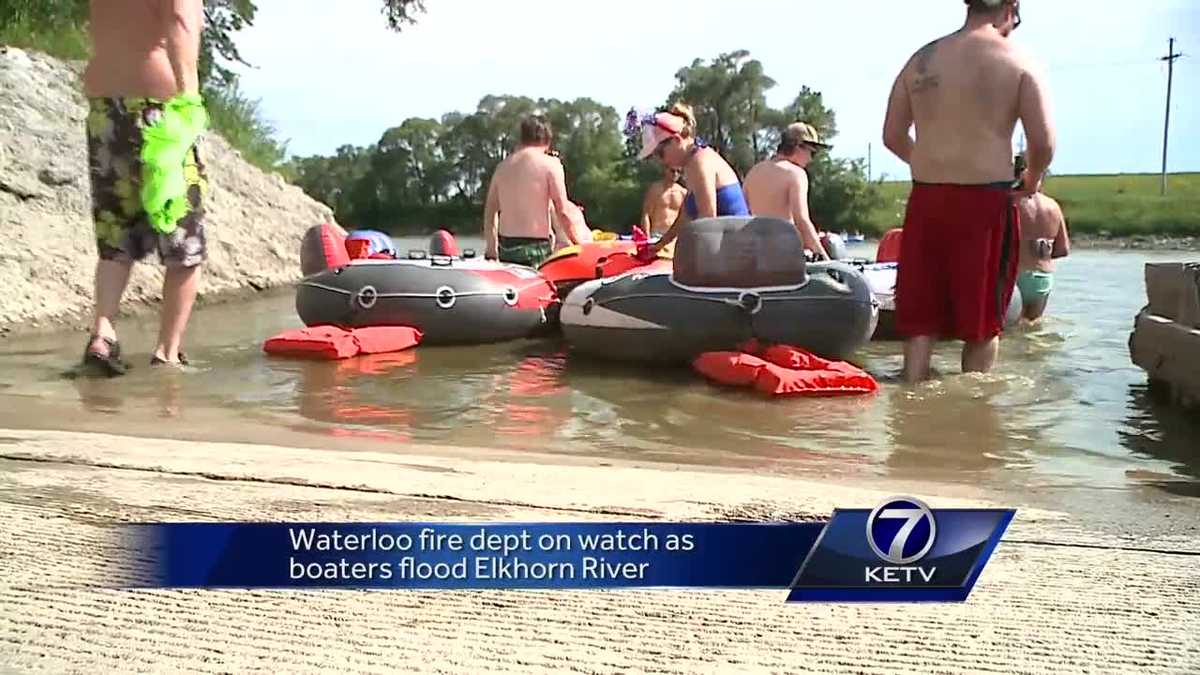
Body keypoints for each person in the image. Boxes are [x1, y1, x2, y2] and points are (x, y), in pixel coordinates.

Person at [881, 0, 1054, 383]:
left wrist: (926, 161)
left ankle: (912, 391)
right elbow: (1043, 142)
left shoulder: (921, 59)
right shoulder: (1019, 60)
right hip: (986, 202)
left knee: (920, 317)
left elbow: (892, 135)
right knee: (983, 322)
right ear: (1010, 8)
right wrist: (1033, 179)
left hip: (927, 197)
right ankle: (972, 418)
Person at [82, 0, 209, 375]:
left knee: (115, 232)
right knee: (183, 238)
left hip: (105, 107)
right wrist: (188, 100)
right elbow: (180, 19)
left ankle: (102, 333)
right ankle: (167, 353)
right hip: (160, 110)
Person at [637, 104, 750, 256]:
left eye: (660, 153)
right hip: (727, 249)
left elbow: (708, 221)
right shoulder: (692, 164)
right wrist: (660, 244)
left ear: (676, 140)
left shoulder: (700, 163)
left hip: (736, 252)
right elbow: (686, 215)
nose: (660, 161)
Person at [482, 116, 584, 267]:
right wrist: (579, 244)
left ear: (522, 138)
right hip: (536, 249)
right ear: (547, 140)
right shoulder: (551, 165)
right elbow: (562, 211)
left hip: (506, 249)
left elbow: (490, 212)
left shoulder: (502, 167)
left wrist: (491, 248)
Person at [743, 122, 832, 260]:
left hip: (758, 254)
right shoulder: (796, 173)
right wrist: (827, 262)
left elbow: (743, 212)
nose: (810, 159)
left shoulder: (754, 172)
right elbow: (801, 220)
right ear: (798, 146)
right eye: (812, 152)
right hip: (786, 256)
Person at [1015, 180, 1069, 322]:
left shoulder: (1009, 202)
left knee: (1003, 330)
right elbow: (1063, 249)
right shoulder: (1053, 205)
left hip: (1013, 276)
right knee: (1032, 328)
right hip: (1041, 278)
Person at [639, 165, 687, 238]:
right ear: (666, 170)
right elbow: (646, 214)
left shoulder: (683, 192)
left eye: (679, 172)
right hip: (657, 233)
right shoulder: (655, 189)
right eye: (673, 171)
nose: (675, 174)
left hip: (675, 235)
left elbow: (685, 217)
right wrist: (647, 236)